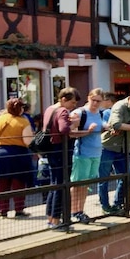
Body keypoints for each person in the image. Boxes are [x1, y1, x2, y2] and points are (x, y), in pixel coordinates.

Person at [98, 90, 130, 214]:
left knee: (126, 176)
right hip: (108, 146)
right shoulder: (119, 106)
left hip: (124, 147)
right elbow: (116, 124)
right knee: (104, 178)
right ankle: (105, 207)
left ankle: (117, 204)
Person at [0, 98, 33, 218]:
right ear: (20, 108)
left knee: (2, 184)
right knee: (19, 183)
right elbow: (27, 141)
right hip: (19, 154)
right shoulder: (23, 122)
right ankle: (19, 209)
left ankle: (3, 211)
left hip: (0, 154)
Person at [43, 87, 81, 228]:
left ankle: (50, 218)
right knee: (62, 184)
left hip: (51, 150)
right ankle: (58, 220)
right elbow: (64, 129)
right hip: (60, 151)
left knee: (55, 184)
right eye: (72, 102)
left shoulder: (50, 109)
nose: (74, 106)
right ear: (64, 99)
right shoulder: (63, 111)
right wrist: (74, 124)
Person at [69, 88, 106, 224]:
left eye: (98, 101)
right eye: (93, 100)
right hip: (82, 153)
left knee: (86, 184)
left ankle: (81, 210)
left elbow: (102, 127)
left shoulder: (100, 113)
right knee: (78, 183)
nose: (95, 103)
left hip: (96, 152)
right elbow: (71, 133)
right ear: (88, 98)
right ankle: (74, 211)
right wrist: (87, 131)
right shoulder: (80, 113)